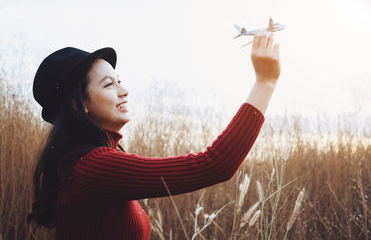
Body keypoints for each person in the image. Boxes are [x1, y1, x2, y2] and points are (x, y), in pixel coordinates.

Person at [28, 33, 280, 240]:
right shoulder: (93, 167)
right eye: (108, 84)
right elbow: (213, 165)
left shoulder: (88, 163)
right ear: (78, 104)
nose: (124, 90)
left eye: (120, 80)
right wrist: (265, 82)